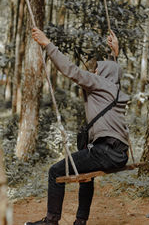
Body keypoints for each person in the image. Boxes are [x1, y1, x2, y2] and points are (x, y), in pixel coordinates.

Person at [25, 28, 130, 225]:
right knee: (85, 176)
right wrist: (114, 54)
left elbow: (70, 70)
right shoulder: (115, 89)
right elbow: (114, 73)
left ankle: (51, 221)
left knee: (55, 171)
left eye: (97, 69)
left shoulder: (99, 82)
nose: (94, 72)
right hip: (120, 154)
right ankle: (80, 221)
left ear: (103, 74)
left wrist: (47, 44)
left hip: (105, 151)